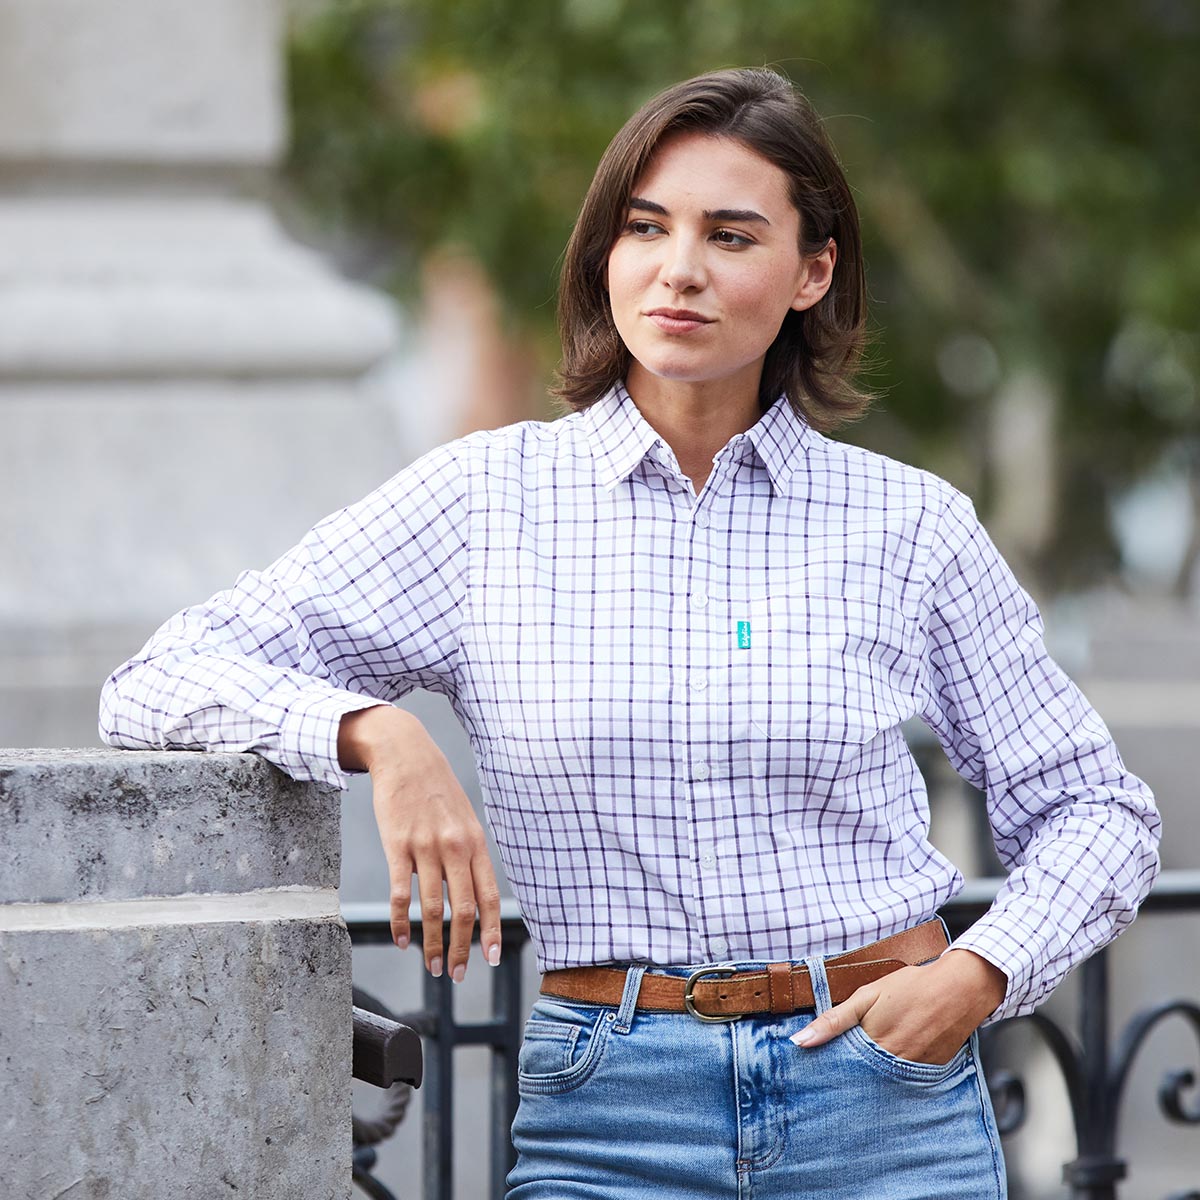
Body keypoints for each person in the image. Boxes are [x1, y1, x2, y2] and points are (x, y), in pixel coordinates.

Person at [100, 68, 1160, 1198]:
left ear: (814, 271)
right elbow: (155, 681)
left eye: (731, 234)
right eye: (645, 226)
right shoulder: (484, 503)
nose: (680, 268)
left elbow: (1099, 811)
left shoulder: (909, 526)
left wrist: (979, 974)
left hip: (885, 1098)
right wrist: (374, 735)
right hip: (612, 1107)